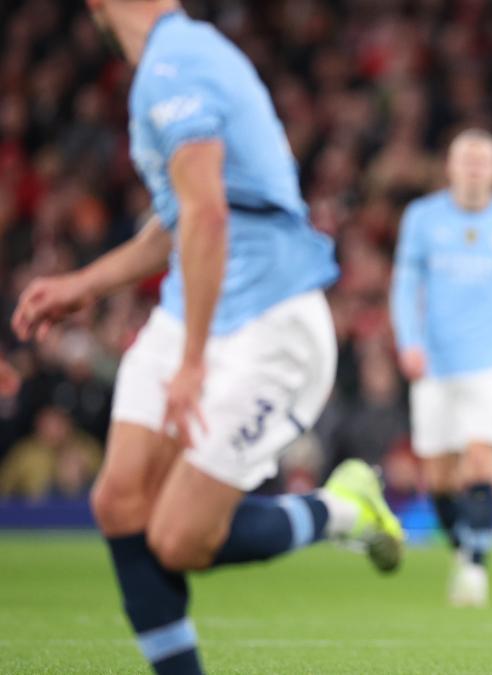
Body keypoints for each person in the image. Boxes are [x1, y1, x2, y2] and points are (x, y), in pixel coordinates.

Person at [10, 3, 404, 674]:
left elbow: (208, 215)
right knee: (118, 500)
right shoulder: (169, 64)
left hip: (267, 317)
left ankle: (343, 507)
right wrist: (86, 284)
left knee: (180, 537)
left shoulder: (177, 63)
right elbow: (180, 219)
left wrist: (192, 361)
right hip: (197, 305)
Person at [391, 128, 492, 607]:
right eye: (467, 160)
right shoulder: (422, 219)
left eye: (485, 161)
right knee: (439, 477)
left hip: (491, 365)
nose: (475, 168)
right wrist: (409, 342)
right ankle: (463, 548)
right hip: (435, 366)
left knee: (482, 463)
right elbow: (404, 286)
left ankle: (476, 569)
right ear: (451, 166)